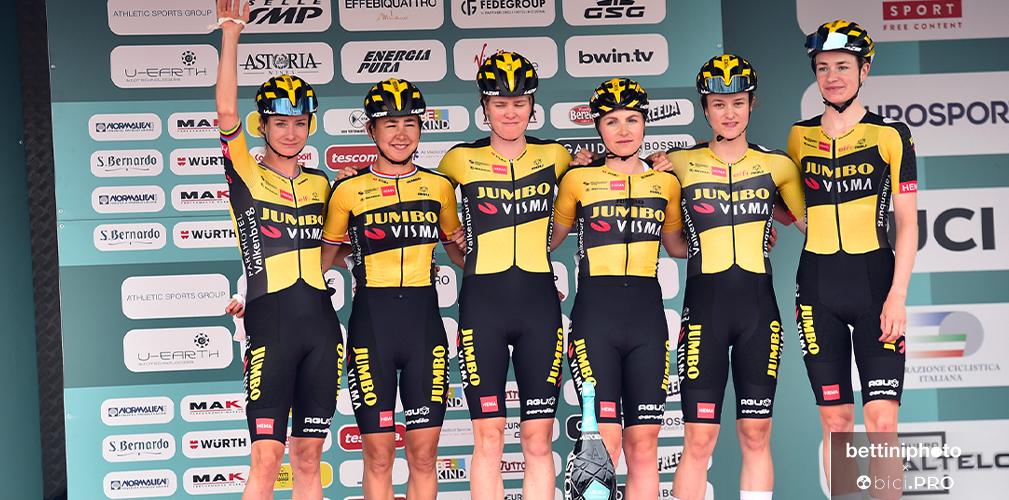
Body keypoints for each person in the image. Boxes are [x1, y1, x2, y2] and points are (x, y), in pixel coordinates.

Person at [436, 51, 592, 500]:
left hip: (539, 306)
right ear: (484, 107)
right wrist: (459, 249)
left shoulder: (555, 155)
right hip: (482, 306)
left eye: (519, 103)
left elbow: (603, 181)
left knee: (538, 441)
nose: (510, 112)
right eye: (499, 103)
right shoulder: (457, 159)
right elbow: (419, 197)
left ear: (532, 106)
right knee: (488, 440)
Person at [659, 55, 806, 500]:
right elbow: (672, 243)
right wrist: (587, 160)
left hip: (759, 314)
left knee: (756, 435)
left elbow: (815, 227)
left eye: (738, 103)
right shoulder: (677, 164)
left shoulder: (778, 165)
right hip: (704, 312)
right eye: (719, 104)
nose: (729, 113)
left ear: (751, 104)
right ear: (705, 108)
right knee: (699, 439)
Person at [214, 1, 342, 499]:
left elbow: (334, 252)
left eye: (300, 123)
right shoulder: (246, 172)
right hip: (271, 322)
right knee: (266, 459)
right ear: (262, 126)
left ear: (310, 126)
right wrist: (231, 33)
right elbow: (226, 112)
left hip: (321, 325)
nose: (291, 133)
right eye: (280, 123)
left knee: (309, 458)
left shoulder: (321, 183)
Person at [320, 78, 465, 500]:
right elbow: (321, 260)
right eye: (390, 124)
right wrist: (255, 294)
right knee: (379, 457)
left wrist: (530, 280)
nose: (401, 134)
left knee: (424, 456)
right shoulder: (348, 189)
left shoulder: (439, 187)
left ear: (421, 128)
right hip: (372, 325)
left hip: (424, 325)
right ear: (371, 130)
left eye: (410, 124)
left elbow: (459, 254)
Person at [790, 20, 917, 499]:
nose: (833, 77)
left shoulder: (891, 134)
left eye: (843, 66)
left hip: (876, 285)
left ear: (864, 70)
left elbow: (908, 224)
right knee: (837, 421)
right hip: (817, 285)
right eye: (823, 68)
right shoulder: (799, 136)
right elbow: (787, 203)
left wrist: (897, 296)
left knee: (882, 421)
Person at [550, 78, 683, 500]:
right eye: (612, 122)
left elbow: (679, 246)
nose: (623, 130)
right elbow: (544, 241)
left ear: (645, 124)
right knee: (602, 444)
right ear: (598, 127)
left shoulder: (667, 182)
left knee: (643, 446)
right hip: (596, 320)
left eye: (632, 120)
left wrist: (755, 233)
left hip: (647, 321)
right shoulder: (578, 180)